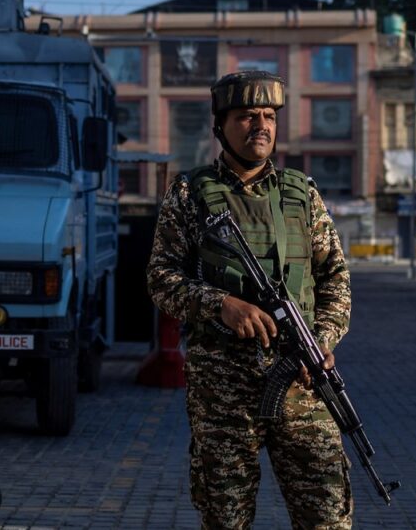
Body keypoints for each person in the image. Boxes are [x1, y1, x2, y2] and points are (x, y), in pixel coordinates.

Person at [147, 70, 353, 529]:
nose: (260, 125)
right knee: (226, 517)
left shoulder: (303, 195)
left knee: (326, 515)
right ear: (220, 126)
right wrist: (219, 304)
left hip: (302, 381)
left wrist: (321, 339)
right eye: (246, 116)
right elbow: (161, 279)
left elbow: (335, 278)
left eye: (268, 116)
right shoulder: (189, 194)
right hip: (223, 387)